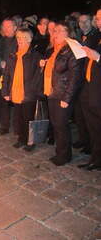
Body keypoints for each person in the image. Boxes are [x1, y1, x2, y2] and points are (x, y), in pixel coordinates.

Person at [43, 22, 82, 166]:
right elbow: (54, 70)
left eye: (59, 31)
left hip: (62, 94)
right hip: (52, 92)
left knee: (61, 125)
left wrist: (67, 98)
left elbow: (75, 76)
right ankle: (63, 152)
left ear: (68, 34)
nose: (55, 33)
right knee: (56, 124)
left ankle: (63, 155)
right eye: (54, 31)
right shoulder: (56, 50)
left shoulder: (72, 50)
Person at [2, 28, 42, 151]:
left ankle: (30, 142)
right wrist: (5, 91)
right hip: (15, 91)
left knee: (28, 118)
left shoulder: (36, 56)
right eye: (18, 37)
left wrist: (33, 91)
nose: (20, 40)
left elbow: (38, 77)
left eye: (24, 38)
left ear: (30, 40)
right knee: (18, 117)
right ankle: (21, 139)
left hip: (28, 93)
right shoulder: (12, 55)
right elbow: (7, 75)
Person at [77, 44, 101, 171]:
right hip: (90, 91)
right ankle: (96, 159)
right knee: (94, 130)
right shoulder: (96, 37)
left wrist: (98, 58)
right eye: (97, 21)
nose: (98, 23)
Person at [0, 18, 18, 135]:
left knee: (17, 102)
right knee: (2, 100)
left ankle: (18, 127)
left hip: (16, 75)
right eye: (4, 26)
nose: (6, 29)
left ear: (15, 27)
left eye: (9, 26)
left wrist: (8, 63)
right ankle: (4, 125)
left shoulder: (20, 41)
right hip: (3, 76)